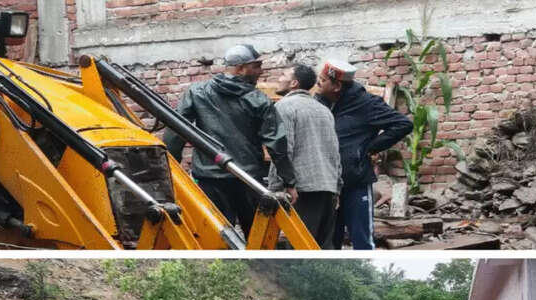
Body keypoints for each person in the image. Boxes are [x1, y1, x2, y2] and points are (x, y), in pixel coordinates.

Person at [164, 43, 295, 238]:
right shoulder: (259, 100)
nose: (261, 71)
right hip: (247, 179)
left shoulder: (197, 92)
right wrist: (289, 182)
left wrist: (169, 171)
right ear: (241, 68)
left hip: (210, 179)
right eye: (256, 66)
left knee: (215, 237)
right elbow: (276, 143)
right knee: (257, 238)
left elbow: (175, 132)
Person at [315, 59, 413, 250]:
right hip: (328, 183)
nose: (318, 83)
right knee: (329, 241)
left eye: (322, 80)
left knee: (361, 239)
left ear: (336, 86)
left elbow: (403, 124)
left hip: (355, 181)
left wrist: (368, 148)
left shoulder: (366, 104)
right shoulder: (320, 103)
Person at [267, 64, 342, 248]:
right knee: (322, 247)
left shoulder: (284, 107)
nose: (279, 78)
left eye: (283, 74)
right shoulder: (324, 110)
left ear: (294, 83)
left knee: (300, 245)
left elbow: (283, 149)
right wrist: (337, 187)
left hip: (301, 189)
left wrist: (282, 185)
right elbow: (335, 152)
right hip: (327, 187)